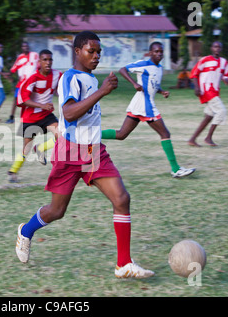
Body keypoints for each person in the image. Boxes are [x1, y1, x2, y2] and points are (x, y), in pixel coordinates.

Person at [15, 31, 154, 279]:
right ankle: (26, 230)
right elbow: (68, 113)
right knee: (57, 211)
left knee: (121, 198)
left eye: (99, 52)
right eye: (92, 51)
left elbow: (90, 121)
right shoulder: (70, 78)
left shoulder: (89, 78)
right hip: (69, 152)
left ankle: (124, 264)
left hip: (94, 151)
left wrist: (122, 128)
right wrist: (101, 92)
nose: (97, 56)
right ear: (78, 51)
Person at [101, 42, 195, 178]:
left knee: (122, 134)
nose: (159, 54)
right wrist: (134, 83)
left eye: (161, 51)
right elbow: (122, 69)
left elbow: (153, 85)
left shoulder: (159, 68)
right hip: (145, 105)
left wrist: (162, 91)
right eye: (156, 51)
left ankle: (91, 134)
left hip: (140, 105)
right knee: (165, 133)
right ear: (150, 53)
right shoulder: (143, 64)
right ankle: (175, 169)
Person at [7, 49, 62, 183]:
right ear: (39, 62)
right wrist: (42, 105)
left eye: (50, 59)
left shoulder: (57, 75)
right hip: (30, 117)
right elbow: (22, 99)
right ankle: (13, 171)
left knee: (62, 135)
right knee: (26, 147)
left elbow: (60, 90)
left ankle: (41, 148)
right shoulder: (33, 78)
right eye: (45, 60)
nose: (48, 62)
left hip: (46, 115)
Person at [188, 41, 228, 147]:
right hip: (206, 91)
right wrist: (196, 87)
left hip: (215, 91)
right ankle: (208, 138)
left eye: (219, 47)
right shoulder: (205, 60)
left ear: (221, 49)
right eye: (215, 46)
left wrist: (226, 79)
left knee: (209, 116)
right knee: (221, 111)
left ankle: (192, 139)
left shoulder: (224, 62)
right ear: (211, 48)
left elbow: (227, 77)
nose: (217, 48)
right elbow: (194, 73)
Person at [5, 42, 39, 124]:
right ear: (21, 48)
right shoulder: (20, 57)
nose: (25, 47)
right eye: (23, 46)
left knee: (31, 100)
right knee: (16, 99)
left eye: (26, 46)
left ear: (28, 47)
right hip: (21, 83)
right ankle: (11, 117)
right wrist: (6, 74)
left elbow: (39, 65)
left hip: (32, 83)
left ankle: (31, 117)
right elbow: (13, 68)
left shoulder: (35, 55)